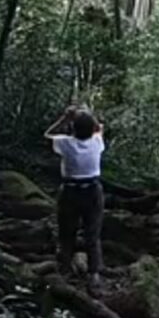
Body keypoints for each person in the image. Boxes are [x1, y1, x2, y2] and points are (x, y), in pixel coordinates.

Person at [44, 105, 106, 294]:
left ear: (72, 128)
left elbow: (47, 135)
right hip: (93, 191)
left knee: (66, 233)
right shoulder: (97, 142)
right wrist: (87, 115)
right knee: (92, 234)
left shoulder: (65, 143)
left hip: (70, 192)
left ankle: (64, 270)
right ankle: (94, 274)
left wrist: (65, 118)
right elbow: (99, 127)